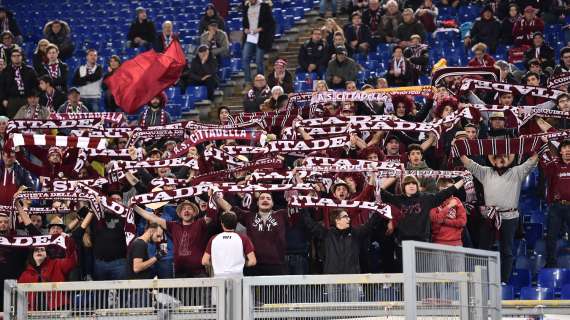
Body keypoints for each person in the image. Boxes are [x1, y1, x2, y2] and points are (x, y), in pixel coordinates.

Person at [460, 152, 539, 282]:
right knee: (483, 250)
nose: (501, 159)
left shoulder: (517, 172)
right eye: (498, 157)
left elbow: (533, 160)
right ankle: (481, 281)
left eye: (504, 157)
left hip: (510, 217)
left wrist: (538, 144)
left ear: (509, 160)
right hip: (490, 217)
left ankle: (504, 282)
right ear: (493, 160)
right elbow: (468, 162)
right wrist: (458, 148)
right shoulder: (485, 172)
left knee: (506, 251)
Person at [134, 199, 223, 278]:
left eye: (189, 209)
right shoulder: (174, 226)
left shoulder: (200, 223)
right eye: (184, 209)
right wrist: (134, 206)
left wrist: (211, 197)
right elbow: (152, 217)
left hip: (198, 273)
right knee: (180, 297)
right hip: (180, 273)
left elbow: (211, 215)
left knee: (202, 297)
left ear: (195, 213)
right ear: (180, 214)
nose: (186, 211)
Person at [301, 208, 384, 274]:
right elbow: (310, 224)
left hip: (352, 279)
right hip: (333, 280)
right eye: (345, 217)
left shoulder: (355, 233)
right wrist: (303, 208)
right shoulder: (327, 234)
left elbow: (369, 225)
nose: (349, 219)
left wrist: (378, 210)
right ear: (337, 220)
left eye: (348, 217)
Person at [202, 212, 256, 276]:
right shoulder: (243, 239)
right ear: (236, 224)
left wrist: (216, 264)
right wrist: (243, 263)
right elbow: (252, 261)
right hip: (237, 277)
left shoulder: (214, 239)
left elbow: (204, 261)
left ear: (222, 223)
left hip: (218, 278)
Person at [543, 140, 570, 267]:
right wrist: (545, 144)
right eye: (564, 148)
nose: (567, 150)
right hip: (556, 206)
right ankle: (551, 264)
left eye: (569, 148)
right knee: (551, 237)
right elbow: (544, 159)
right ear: (560, 151)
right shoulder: (554, 166)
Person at [241, 0, 275, 83]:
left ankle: (261, 81)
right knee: (245, 59)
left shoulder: (264, 6)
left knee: (258, 61)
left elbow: (271, 22)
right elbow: (245, 22)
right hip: (249, 37)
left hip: (261, 37)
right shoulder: (246, 7)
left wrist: (260, 29)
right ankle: (248, 82)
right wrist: (245, 29)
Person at [0, 48, 38, 118]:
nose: (16, 58)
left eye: (18, 55)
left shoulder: (30, 70)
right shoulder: (5, 71)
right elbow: (1, 87)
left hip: (27, 99)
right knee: (12, 123)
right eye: (14, 56)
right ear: (11, 58)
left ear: (22, 57)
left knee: (27, 122)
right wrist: (3, 100)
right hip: (11, 100)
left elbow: (36, 85)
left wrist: (33, 98)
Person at [429, 178, 467, 246]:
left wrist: (444, 221)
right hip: (438, 243)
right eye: (449, 188)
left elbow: (462, 222)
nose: (452, 191)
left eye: (454, 187)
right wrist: (448, 206)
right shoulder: (433, 201)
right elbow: (435, 220)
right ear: (441, 188)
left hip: (456, 242)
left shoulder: (456, 200)